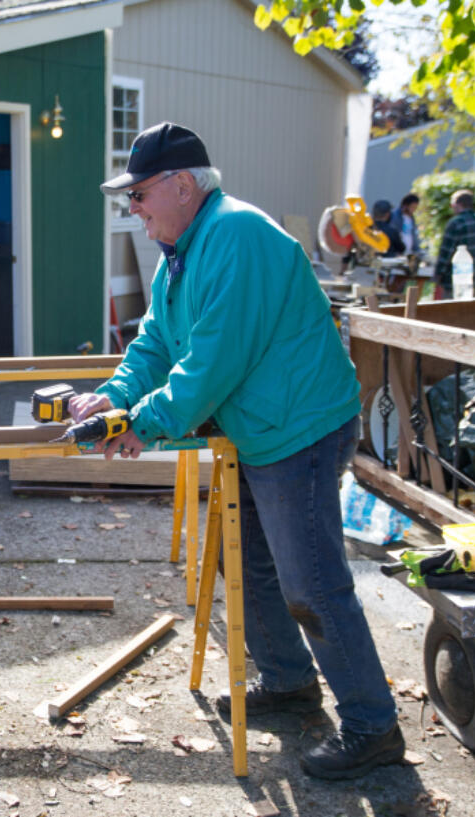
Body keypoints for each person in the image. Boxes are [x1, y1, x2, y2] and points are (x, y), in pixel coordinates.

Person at [78, 122, 404, 780]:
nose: (134, 210)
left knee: (311, 581)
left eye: (139, 195)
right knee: (247, 564)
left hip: (300, 428)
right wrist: (111, 399)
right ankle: (289, 683)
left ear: (182, 185)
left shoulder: (234, 235)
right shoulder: (184, 252)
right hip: (259, 428)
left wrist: (147, 421)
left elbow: (212, 360)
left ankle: (373, 725)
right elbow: (155, 345)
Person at [433, 189, 475, 298]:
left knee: (451, 312)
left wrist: (438, 275)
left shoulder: (456, 223)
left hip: (455, 280)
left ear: (458, 204)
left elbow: (446, 253)